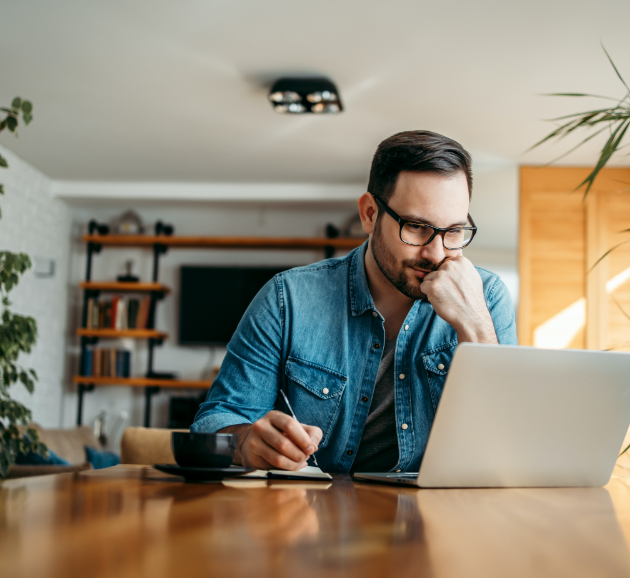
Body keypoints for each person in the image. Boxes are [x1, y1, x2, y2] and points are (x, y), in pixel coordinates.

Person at [191, 130, 516, 472]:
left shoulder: (486, 297)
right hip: (309, 514)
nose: (436, 253)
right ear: (370, 214)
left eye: (453, 231)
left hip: (436, 518)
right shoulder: (287, 299)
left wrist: (475, 326)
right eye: (417, 227)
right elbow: (214, 423)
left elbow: (507, 444)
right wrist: (246, 443)